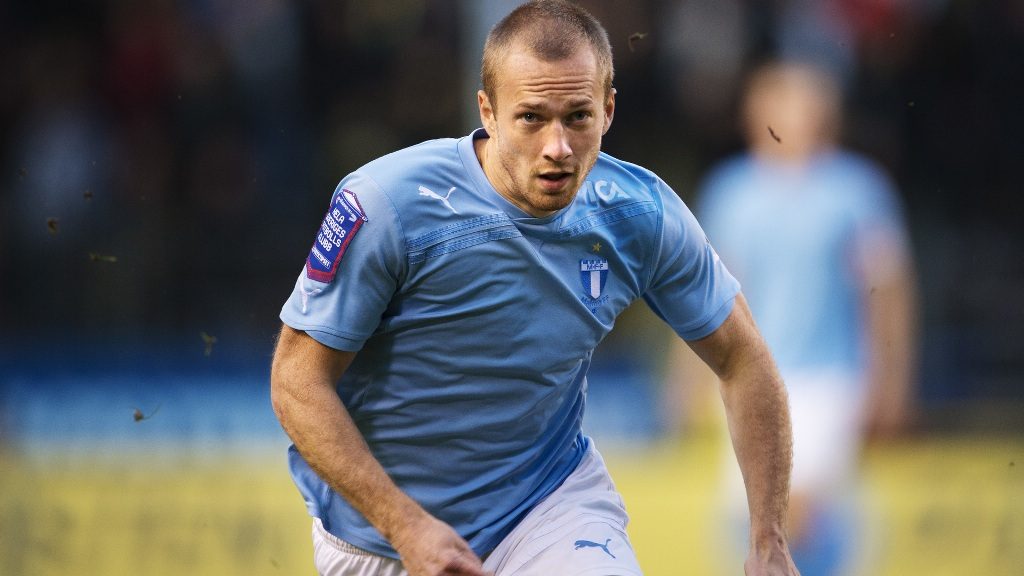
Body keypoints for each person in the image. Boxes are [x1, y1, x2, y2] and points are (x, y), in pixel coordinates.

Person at [270, 2, 800, 575]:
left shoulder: (640, 213)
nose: (558, 147)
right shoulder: (387, 205)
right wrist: (404, 524)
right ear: (488, 111)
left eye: (578, 117)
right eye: (531, 118)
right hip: (379, 538)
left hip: (549, 507)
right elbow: (297, 382)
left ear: (608, 110)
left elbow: (743, 358)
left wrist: (768, 538)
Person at [687, 61, 918, 574]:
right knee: (752, 516)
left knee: (797, 512)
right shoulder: (731, 193)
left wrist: (892, 379)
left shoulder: (856, 191)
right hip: (746, 376)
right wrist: (686, 375)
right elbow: (703, 294)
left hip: (829, 377)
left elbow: (887, 294)